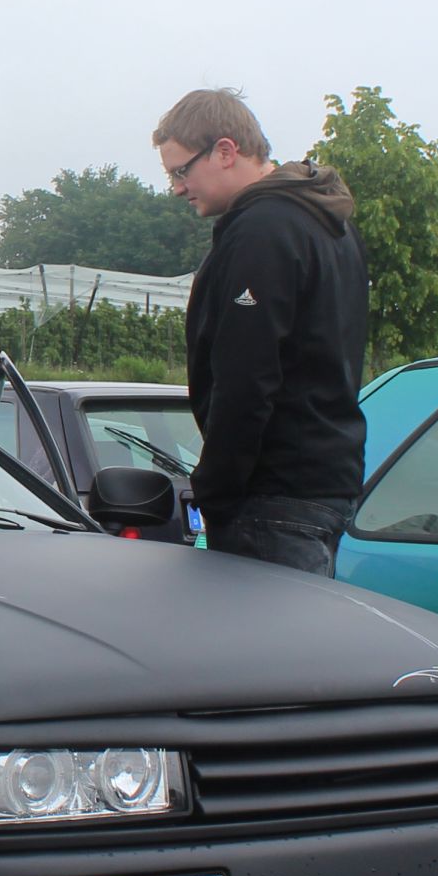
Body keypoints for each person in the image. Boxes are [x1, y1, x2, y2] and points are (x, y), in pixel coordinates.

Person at [156, 89, 368, 575]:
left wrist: (216, 488)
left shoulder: (262, 230)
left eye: (181, 171)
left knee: (256, 626)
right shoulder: (327, 223)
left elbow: (247, 376)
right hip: (320, 485)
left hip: (273, 496)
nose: (178, 189)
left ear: (225, 151)